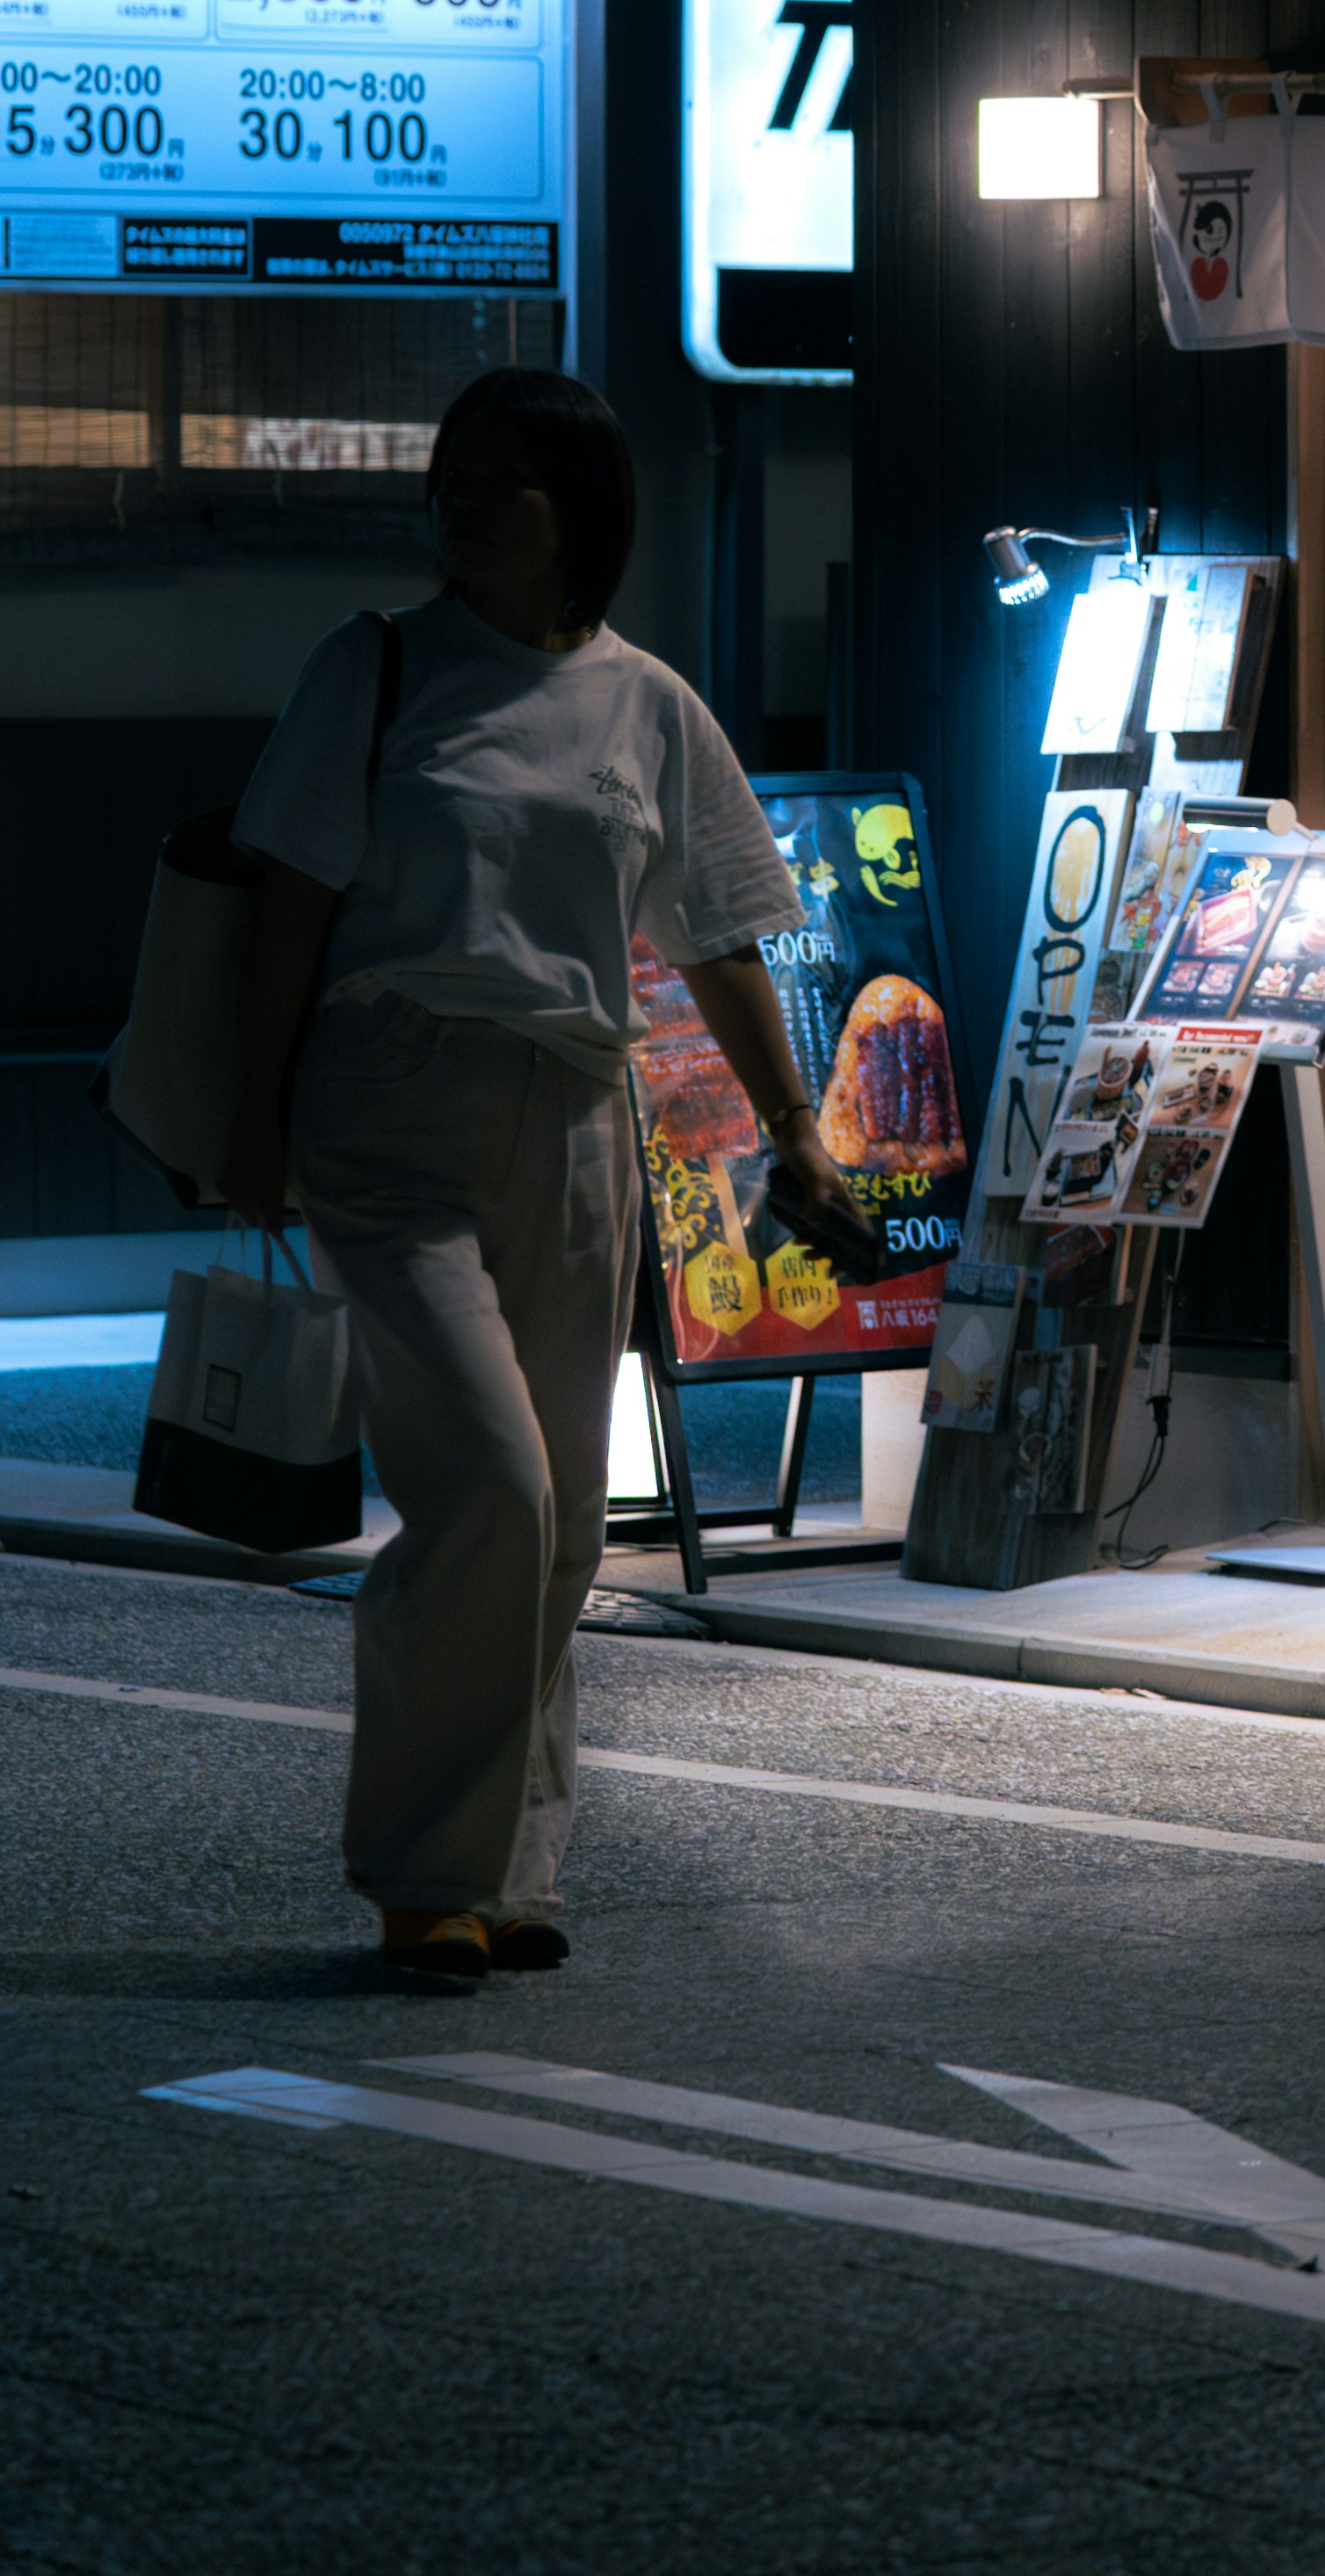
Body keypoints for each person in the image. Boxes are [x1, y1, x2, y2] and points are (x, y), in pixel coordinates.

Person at [223, 366, 873, 1989]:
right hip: (387, 1096)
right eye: (454, 471)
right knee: (489, 1485)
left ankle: (509, 1868)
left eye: (507, 477)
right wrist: (250, 1114)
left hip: (582, 1111)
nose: (467, 499)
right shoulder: (370, 669)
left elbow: (716, 933)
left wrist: (796, 1127)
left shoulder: (649, 703)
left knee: (569, 1517)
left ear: (579, 509)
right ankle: (421, 1873)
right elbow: (284, 900)